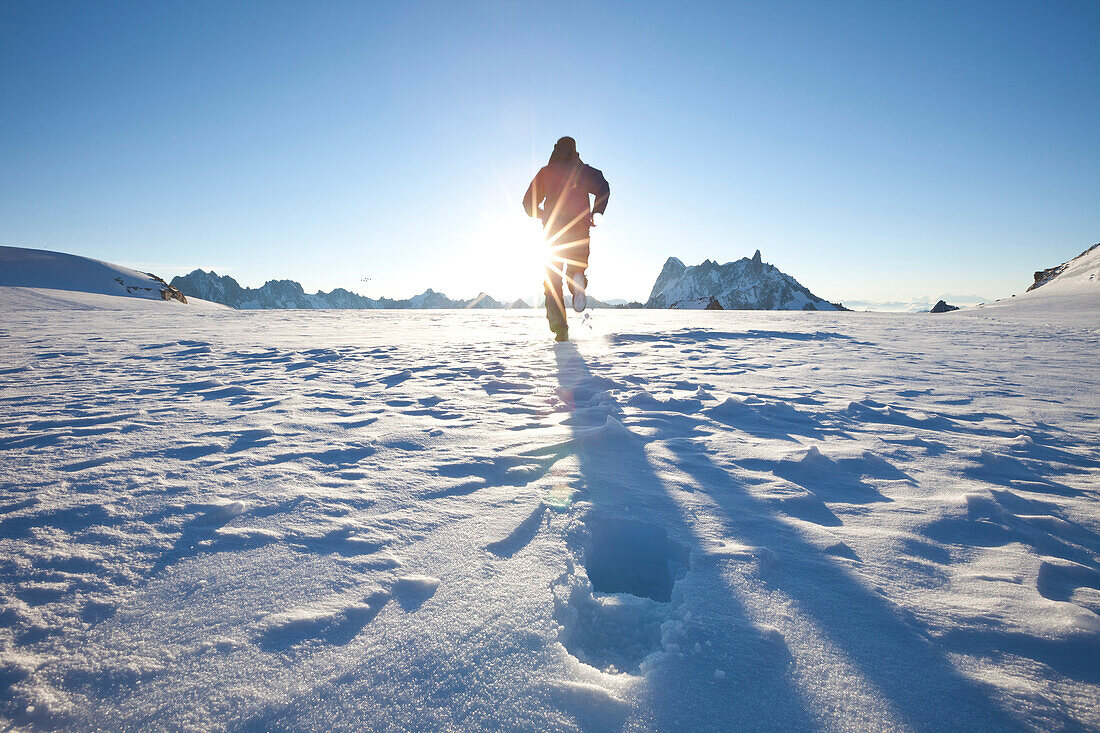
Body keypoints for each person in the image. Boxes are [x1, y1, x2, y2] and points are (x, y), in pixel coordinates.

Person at [523, 136, 610, 341]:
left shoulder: (546, 173)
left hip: (553, 231)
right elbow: (603, 187)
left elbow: (528, 203)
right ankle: (577, 280)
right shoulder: (583, 171)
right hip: (579, 230)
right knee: (575, 267)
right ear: (575, 151)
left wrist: (541, 213)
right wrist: (596, 212)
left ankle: (560, 330)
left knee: (552, 281)